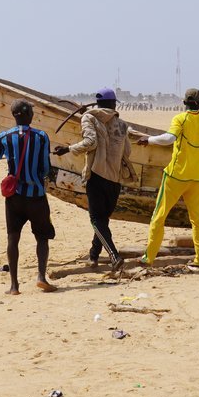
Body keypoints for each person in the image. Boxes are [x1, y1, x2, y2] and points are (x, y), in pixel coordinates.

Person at [136, 88, 199, 268]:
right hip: (197, 178)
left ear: (185, 103)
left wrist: (149, 140)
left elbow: (169, 139)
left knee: (159, 216)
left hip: (175, 177)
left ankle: (149, 258)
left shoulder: (180, 119)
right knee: (197, 220)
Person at [52, 87, 136, 271]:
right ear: (113, 104)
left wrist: (67, 149)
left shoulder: (89, 118)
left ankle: (114, 256)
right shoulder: (122, 124)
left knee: (96, 220)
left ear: (98, 103)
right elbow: (127, 151)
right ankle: (94, 255)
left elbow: (91, 142)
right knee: (103, 219)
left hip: (97, 175)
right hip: (115, 179)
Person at [0, 99, 58, 294]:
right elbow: (45, 169)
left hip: (14, 198)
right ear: (29, 115)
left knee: (13, 237)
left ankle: (14, 286)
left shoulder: (4, 137)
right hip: (37, 196)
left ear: (14, 115)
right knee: (42, 237)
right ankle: (41, 277)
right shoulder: (42, 137)